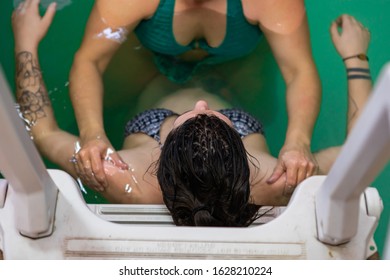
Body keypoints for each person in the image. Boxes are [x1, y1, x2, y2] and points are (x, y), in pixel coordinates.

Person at [12, 2, 372, 225]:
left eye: (190, 117)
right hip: (233, 82)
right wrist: (355, 60)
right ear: (243, 163)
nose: (202, 106)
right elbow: (362, 152)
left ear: (160, 158)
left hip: (150, 83)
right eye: (220, 118)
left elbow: (41, 132)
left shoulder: (123, 180)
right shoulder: (276, 181)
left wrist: (25, 43)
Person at [67, 0, 321, 192]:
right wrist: (92, 133)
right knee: (110, 109)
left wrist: (299, 141)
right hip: (148, 56)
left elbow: (299, 70)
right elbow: (90, 60)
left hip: (237, 61)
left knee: (265, 112)